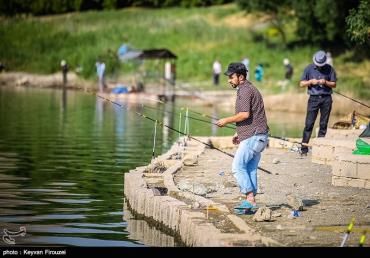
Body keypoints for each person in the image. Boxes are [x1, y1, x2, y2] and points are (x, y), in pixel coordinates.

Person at [216, 62, 269, 210]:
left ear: (240, 76)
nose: (229, 80)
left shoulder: (245, 90)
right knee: (249, 168)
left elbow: (244, 114)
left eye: (231, 77)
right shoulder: (248, 88)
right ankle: (250, 202)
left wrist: (226, 120)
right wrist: (238, 132)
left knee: (238, 167)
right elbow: (252, 116)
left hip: (254, 136)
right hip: (260, 136)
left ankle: (250, 199)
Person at [299, 50, 337, 156]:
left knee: (323, 124)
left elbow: (334, 84)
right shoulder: (309, 68)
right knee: (309, 124)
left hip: (326, 98)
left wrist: (326, 82)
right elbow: (301, 83)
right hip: (313, 98)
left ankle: (320, 149)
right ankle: (304, 149)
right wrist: (310, 82)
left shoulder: (330, 69)